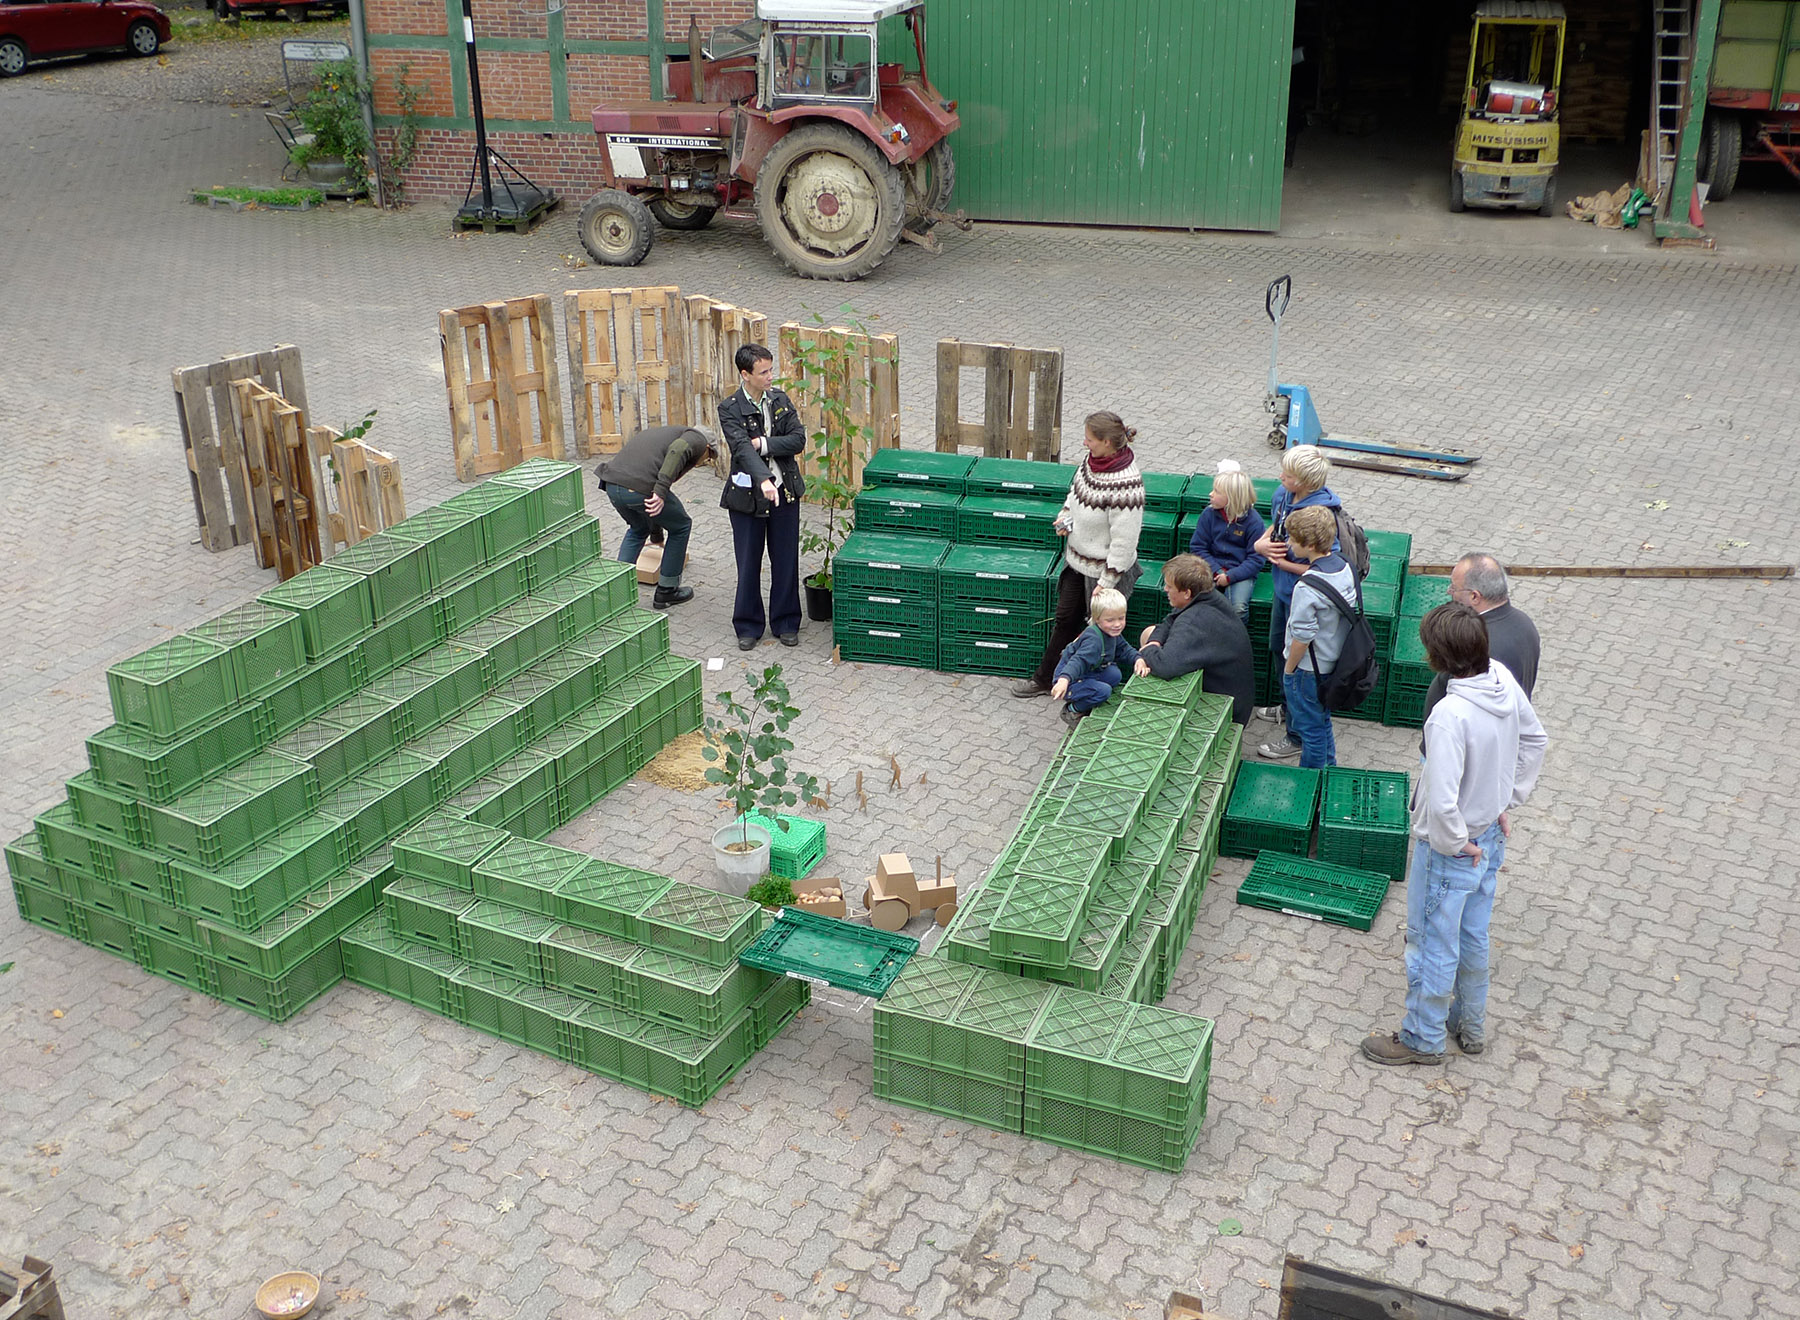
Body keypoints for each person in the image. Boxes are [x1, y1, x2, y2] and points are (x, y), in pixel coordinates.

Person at [1362, 602, 1547, 1067]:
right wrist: (1508, 799)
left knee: (1430, 944)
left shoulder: (1449, 715)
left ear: (1439, 658)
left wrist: (1450, 842)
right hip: (1489, 837)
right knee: (1473, 933)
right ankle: (1470, 1025)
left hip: (1453, 847)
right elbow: (1535, 740)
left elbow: (1442, 799)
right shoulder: (1502, 679)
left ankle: (1422, 1038)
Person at [1012, 411, 1145, 699]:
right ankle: (1047, 678)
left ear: (1108, 442)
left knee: (1100, 631)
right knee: (1065, 619)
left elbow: (1125, 540)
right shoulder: (1090, 462)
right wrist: (1066, 518)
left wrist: (1108, 581)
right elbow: (1074, 495)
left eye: (1090, 439)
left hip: (1104, 573)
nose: (1085, 443)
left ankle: (1090, 690)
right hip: (1076, 562)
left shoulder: (1127, 484)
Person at [717, 344, 806, 651]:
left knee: (785, 560)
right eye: (763, 372)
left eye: (771, 370)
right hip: (747, 499)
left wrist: (765, 443)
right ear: (746, 374)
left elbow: (798, 439)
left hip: (784, 494)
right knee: (748, 561)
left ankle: (786, 621)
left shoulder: (780, 400)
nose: (770, 376)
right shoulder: (729, 408)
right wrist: (764, 478)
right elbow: (741, 447)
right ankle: (748, 625)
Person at [1251, 445, 1342, 731]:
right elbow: (1275, 523)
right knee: (1279, 648)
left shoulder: (1320, 518)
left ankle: (1296, 731)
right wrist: (1260, 544)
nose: (1280, 477)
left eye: (1287, 475)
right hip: (1283, 593)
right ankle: (1286, 707)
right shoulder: (1283, 494)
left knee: (1297, 662)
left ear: (1303, 482)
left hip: (1304, 599)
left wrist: (1285, 565)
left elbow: (1326, 567)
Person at [1259, 506, 1355, 767]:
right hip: (1333, 661)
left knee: (1309, 730)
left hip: (1307, 670)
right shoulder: (1345, 567)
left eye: (1292, 539)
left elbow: (1302, 637)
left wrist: (1289, 671)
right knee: (1321, 721)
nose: (1288, 543)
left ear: (1309, 545)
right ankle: (1329, 771)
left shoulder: (1307, 586)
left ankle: (1311, 782)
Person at [591, 424, 715, 609]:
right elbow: (678, 449)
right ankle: (667, 591)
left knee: (638, 529)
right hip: (638, 488)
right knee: (681, 526)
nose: (704, 462)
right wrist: (660, 491)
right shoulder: (696, 439)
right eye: (709, 457)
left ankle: (617, 593)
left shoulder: (663, 433)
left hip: (612, 485)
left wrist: (656, 537)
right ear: (707, 447)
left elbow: (650, 509)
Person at [1133, 553, 1256, 724]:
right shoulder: (1208, 597)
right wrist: (1154, 641)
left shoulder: (1194, 620)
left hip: (1225, 712)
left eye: (1169, 586)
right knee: (1149, 632)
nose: (1165, 590)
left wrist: (1146, 651)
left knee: (1155, 663)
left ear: (1186, 593)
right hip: (1236, 695)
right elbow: (1170, 620)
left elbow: (1166, 666)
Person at [1421, 553, 1540, 727]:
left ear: (1475, 596)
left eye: (1454, 588)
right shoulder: (1524, 622)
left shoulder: (1477, 644)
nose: (1449, 592)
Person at [1050, 588, 1138, 728]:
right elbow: (1078, 661)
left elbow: (1124, 649)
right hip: (1069, 680)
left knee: (1114, 675)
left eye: (1121, 618)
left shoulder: (1111, 633)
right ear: (1097, 619)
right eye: (1110, 620)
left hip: (1087, 673)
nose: (1117, 624)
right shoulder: (1093, 641)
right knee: (1103, 691)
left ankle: (1089, 695)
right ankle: (1072, 710)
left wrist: (1138, 659)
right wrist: (1064, 680)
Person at [1189, 467, 1266, 624]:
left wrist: (1231, 577)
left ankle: (1235, 639)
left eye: (1216, 491)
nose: (1211, 494)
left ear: (1232, 498)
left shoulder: (1254, 522)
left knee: (1238, 608)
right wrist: (1216, 570)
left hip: (1240, 572)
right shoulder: (1209, 515)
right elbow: (1198, 547)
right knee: (1195, 600)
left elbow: (1256, 560)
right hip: (1210, 568)